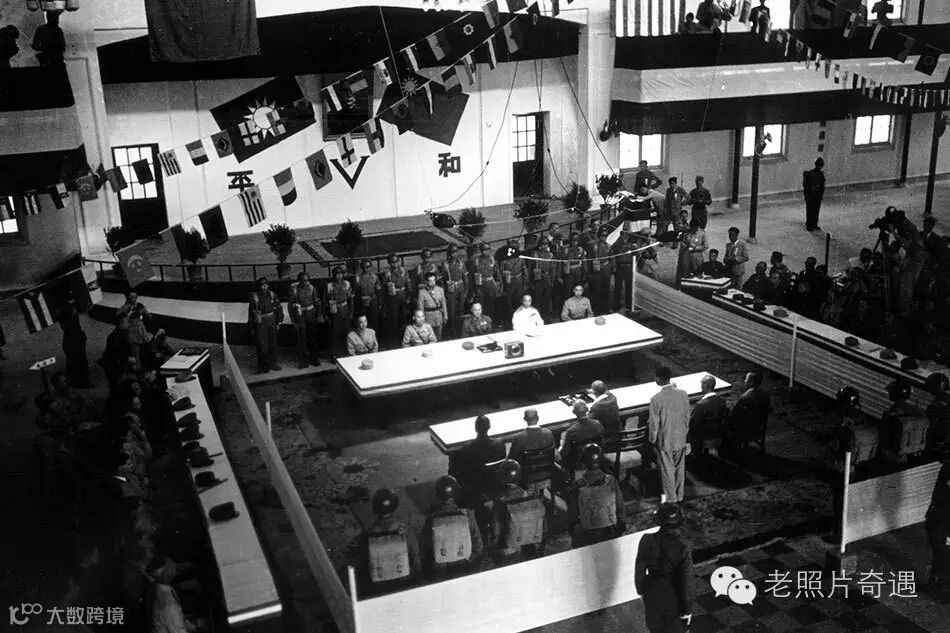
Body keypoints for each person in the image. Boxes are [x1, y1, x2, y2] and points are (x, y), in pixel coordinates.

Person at [635, 503, 695, 633]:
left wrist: (641, 591)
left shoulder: (646, 540)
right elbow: (687, 580)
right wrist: (687, 610)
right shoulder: (683, 546)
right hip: (673, 597)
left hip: (652, 592)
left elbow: (639, 569)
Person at [419, 475, 483, 579]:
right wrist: (468, 561)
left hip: (441, 572)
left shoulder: (431, 519)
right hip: (464, 568)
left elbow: (424, 549)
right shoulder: (467, 515)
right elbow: (478, 545)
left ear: (438, 495)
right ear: (456, 493)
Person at [567, 444, 625, 548]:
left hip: (587, 536)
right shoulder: (611, 481)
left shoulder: (577, 486)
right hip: (610, 533)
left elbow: (572, 516)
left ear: (583, 461)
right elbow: (621, 509)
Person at [488, 459, 546, 562]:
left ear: (501, 478)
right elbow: (543, 525)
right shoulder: (533, 497)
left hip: (510, 550)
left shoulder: (499, 503)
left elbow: (496, 531)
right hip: (532, 545)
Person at [362, 489, 420, 589]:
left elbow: (363, 563)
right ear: (394, 506)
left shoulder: (367, 535)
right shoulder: (407, 531)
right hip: (404, 584)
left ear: (375, 507)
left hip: (378, 588)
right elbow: (416, 558)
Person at [649, 366, 690, 503]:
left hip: (665, 440)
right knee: (679, 468)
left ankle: (671, 499)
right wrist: (684, 433)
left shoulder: (656, 399)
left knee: (667, 471)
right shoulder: (683, 394)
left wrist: (652, 440)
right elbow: (687, 416)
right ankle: (680, 495)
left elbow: (654, 425)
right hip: (680, 437)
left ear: (658, 378)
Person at [450, 415, 506, 506]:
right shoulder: (500, 444)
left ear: (475, 428)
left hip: (477, 485)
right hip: (495, 482)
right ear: (489, 427)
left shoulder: (467, 448)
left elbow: (462, 470)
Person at [728, 372, 771, 461]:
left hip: (746, 430)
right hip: (758, 427)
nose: (744, 380)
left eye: (746, 379)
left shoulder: (745, 397)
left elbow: (734, 415)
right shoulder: (765, 395)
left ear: (751, 382)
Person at [558, 401, 605, 475]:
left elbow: (565, 453)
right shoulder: (598, 424)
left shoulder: (571, 431)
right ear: (587, 409)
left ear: (574, 412)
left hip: (579, 464)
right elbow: (602, 442)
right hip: (597, 458)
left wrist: (561, 446)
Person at [248, 277, 283, 373]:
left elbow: (278, 308)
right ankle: (263, 366)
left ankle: (273, 363)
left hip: (271, 320)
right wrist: (251, 327)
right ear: (259, 287)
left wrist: (279, 322)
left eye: (266, 285)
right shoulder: (254, 296)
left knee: (273, 343)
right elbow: (251, 312)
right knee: (262, 345)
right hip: (260, 322)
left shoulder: (272, 294)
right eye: (262, 285)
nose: (264, 287)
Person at [926, 461, 950, 599]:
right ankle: (939, 586)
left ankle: (938, 584)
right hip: (941, 522)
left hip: (940, 520)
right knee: (942, 554)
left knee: (941, 555)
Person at [290, 272, 323, 368]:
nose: (306, 282)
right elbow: (291, 305)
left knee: (313, 337)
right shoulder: (295, 290)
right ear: (300, 281)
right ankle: (303, 362)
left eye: (307, 280)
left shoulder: (312, 288)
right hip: (300, 315)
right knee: (302, 338)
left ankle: (314, 359)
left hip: (311, 313)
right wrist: (293, 319)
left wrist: (319, 314)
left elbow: (317, 301)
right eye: (304, 280)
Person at [689, 375, 727, 455]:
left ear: (705, 386)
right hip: (718, 435)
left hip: (703, 438)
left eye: (701, 383)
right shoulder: (722, 401)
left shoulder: (700, 405)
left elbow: (692, 424)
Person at [59, 293, 91, 388]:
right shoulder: (68, 314)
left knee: (76, 362)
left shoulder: (67, 313)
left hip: (74, 339)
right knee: (77, 362)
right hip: (74, 340)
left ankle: (79, 381)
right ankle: (79, 382)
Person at [381, 254, 412, 347]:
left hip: (402, 295)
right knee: (393, 319)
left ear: (398, 261)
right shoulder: (387, 273)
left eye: (395, 261)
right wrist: (385, 303)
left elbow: (408, 284)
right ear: (389, 263)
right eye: (392, 262)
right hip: (392, 298)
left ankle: (405, 340)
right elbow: (384, 289)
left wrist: (408, 297)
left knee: (404, 318)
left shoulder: (403, 271)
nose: (394, 264)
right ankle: (395, 341)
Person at [442, 245, 469, 338]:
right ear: (449, 253)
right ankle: (453, 332)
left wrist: (466, 292)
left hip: (460, 287)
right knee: (451, 311)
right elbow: (442, 280)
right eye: (452, 252)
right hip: (451, 288)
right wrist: (444, 293)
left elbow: (465, 278)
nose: (454, 254)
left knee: (461, 310)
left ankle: (460, 330)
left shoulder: (461, 263)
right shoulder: (446, 264)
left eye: (455, 252)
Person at [471, 243, 503, 324]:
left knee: (491, 305)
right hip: (480, 286)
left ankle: (491, 323)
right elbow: (472, 275)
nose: (487, 251)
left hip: (491, 285)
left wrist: (499, 285)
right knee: (482, 306)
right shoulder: (477, 260)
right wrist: (474, 289)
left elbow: (497, 273)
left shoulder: (492, 259)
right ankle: (481, 323)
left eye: (488, 249)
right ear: (481, 250)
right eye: (485, 249)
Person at [588, 230, 613, 314]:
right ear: (599, 236)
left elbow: (612, 257)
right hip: (596, 269)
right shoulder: (594, 246)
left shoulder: (609, 246)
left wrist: (613, 268)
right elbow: (589, 259)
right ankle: (596, 309)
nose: (604, 238)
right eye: (602, 236)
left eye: (605, 236)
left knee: (606, 290)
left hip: (606, 269)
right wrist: (589, 272)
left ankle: (605, 308)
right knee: (596, 290)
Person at [417, 271, 448, 341]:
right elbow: (420, 308)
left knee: (439, 338)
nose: (432, 282)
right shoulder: (422, 292)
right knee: (430, 339)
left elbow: (444, 304)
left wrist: (445, 316)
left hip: (439, 316)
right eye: (430, 281)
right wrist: (422, 321)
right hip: (428, 318)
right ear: (426, 281)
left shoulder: (440, 290)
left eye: (434, 280)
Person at [531, 238, 557, 319]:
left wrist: (552, 280)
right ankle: (538, 316)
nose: (544, 246)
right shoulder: (535, 254)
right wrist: (531, 282)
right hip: (538, 278)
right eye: (543, 244)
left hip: (547, 277)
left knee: (548, 297)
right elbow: (531, 268)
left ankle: (547, 316)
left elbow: (553, 268)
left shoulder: (550, 255)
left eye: (546, 244)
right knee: (538, 298)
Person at [560, 234, 588, 301]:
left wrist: (585, 274)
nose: (575, 242)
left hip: (578, 273)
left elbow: (584, 262)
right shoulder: (566, 250)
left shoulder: (580, 249)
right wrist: (559, 276)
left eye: (577, 240)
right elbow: (561, 263)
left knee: (578, 292)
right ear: (570, 240)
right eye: (573, 240)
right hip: (569, 273)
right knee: (568, 292)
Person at [355, 259, 381, 331]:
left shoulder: (375, 277)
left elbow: (378, 290)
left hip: (373, 300)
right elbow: (355, 293)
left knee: (374, 320)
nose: (367, 268)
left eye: (369, 266)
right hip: (363, 301)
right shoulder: (358, 278)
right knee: (364, 321)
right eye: (365, 267)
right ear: (362, 267)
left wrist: (379, 303)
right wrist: (361, 298)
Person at [612, 233, 635, 311]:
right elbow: (612, 255)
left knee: (629, 286)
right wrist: (614, 266)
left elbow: (637, 254)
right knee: (618, 287)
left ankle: (629, 304)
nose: (624, 238)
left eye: (625, 237)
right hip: (619, 268)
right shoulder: (616, 246)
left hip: (628, 268)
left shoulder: (631, 246)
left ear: (627, 238)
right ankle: (616, 306)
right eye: (622, 236)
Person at [803, 157, 826, 232]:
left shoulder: (820, 174)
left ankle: (814, 224)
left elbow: (822, 185)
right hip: (811, 196)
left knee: (816, 210)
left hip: (817, 195)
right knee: (810, 210)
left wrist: (821, 194)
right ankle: (809, 225)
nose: (819, 167)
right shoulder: (810, 174)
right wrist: (807, 194)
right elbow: (806, 185)